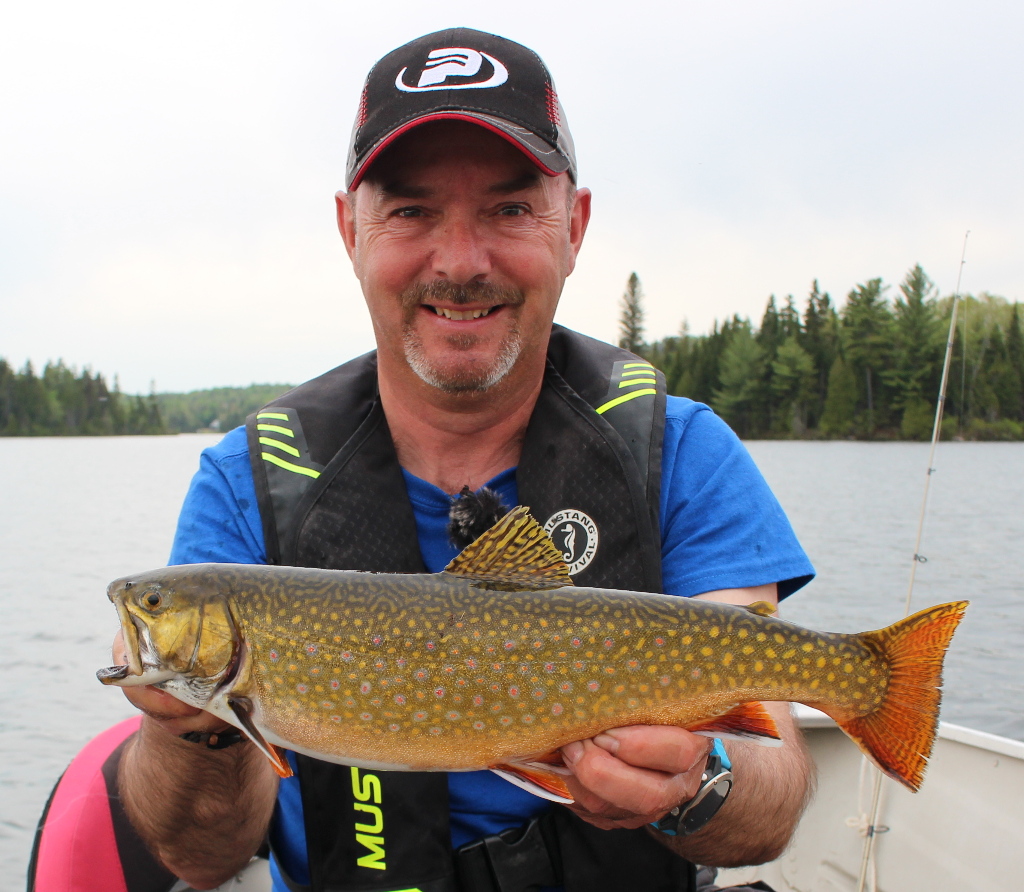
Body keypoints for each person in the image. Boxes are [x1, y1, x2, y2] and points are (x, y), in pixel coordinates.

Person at [113, 28, 815, 892]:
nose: (459, 261)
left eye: (510, 209)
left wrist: (699, 781)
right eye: (410, 211)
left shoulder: (683, 453)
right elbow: (201, 856)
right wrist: (197, 725)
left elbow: (772, 794)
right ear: (350, 230)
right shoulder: (248, 484)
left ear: (575, 227)